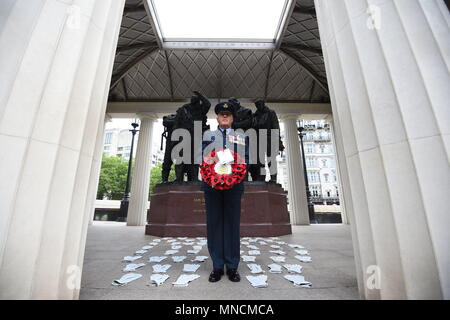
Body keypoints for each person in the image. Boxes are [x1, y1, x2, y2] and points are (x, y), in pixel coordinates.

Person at [201, 102, 249, 283]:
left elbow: (247, 158)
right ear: (217, 118)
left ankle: (232, 267)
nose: (225, 117)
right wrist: (212, 158)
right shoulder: (208, 134)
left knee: (231, 224)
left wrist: (236, 166)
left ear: (233, 118)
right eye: (222, 114)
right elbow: (201, 155)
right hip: (212, 185)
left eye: (228, 114)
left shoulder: (240, 136)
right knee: (214, 224)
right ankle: (217, 266)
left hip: (234, 185)